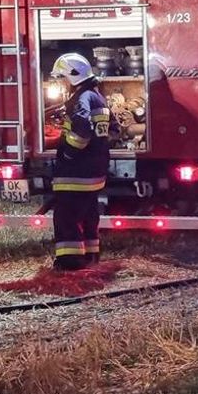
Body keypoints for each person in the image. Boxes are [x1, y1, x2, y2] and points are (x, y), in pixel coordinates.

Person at [48, 52, 111, 270]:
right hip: (93, 172)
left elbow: (82, 132)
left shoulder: (82, 99)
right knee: (88, 217)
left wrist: (68, 154)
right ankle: (90, 257)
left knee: (66, 217)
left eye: (62, 77)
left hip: (76, 172)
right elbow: (112, 129)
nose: (61, 82)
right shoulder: (97, 97)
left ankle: (70, 262)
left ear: (73, 76)